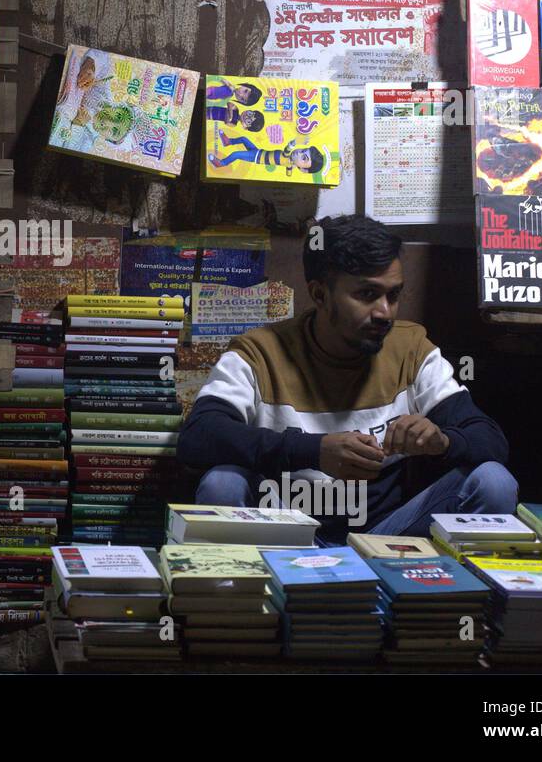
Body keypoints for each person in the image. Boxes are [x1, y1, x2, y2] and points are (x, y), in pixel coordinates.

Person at [177, 214, 517, 543]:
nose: (385, 312)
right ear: (321, 294)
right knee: (222, 483)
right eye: (367, 295)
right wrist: (314, 451)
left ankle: (450, 599)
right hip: (284, 536)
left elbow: (489, 440)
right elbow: (199, 437)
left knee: (494, 482)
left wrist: (442, 442)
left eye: (394, 295)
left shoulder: (411, 350)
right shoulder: (260, 353)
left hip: (384, 541)